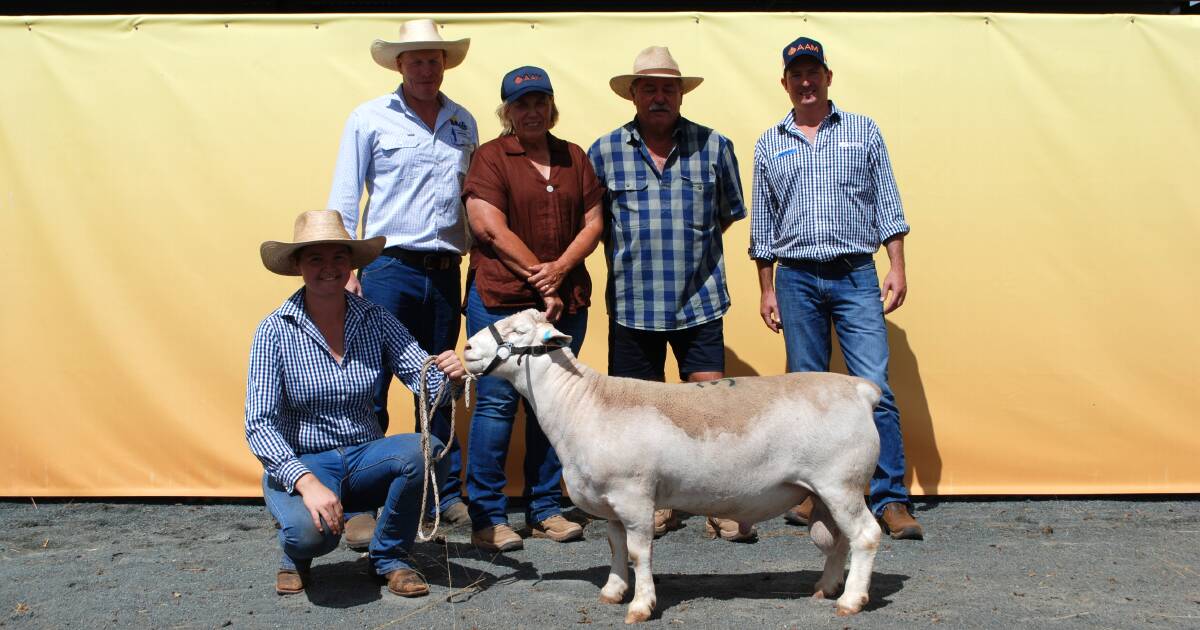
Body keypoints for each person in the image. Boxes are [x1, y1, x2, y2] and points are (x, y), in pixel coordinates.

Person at [749, 37, 923, 540]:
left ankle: (890, 500)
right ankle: (815, 496)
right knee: (806, 396)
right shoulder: (769, 142)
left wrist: (896, 266)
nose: (806, 82)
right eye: (796, 74)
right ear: (785, 83)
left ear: (828, 77)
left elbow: (887, 203)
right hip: (797, 277)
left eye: (814, 72)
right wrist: (767, 289)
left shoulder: (862, 131)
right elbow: (764, 224)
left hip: (855, 274)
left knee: (874, 390)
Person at [245, 210, 467, 597]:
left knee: (429, 452)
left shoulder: (375, 318)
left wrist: (447, 376)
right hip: (305, 463)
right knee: (310, 539)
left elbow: (422, 376)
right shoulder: (274, 329)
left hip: (365, 457)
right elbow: (259, 424)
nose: (328, 268)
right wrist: (307, 482)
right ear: (298, 265)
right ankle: (294, 554)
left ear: (351, 265)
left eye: (338, 258)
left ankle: (390, 557)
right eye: (315, 258)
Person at [587, 47, 751, 542]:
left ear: (681, 94)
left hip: (699, 300)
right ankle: (653, 506)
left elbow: (727, 214)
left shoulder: (715, 147)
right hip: (634, 304)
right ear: (633, 94)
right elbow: (595, 224)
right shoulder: (604, 152)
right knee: (638, 421)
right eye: (649, 88)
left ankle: (720, 505)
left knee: (712, 413)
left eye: (669, 88)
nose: (659, 96)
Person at [326, 19, 478, 545]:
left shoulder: (463, 122)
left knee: (439, 379)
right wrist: (346, 269)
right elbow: (345, 197)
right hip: (388, 266)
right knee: (370, 380)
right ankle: (362, 503)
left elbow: (470, 201)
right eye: (414, 58)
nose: (425, 67)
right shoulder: (369, 118)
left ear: (444, 63)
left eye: (433, 58)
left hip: (443, 270)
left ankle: (441, 495)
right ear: (398, 64)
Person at [461, 66, 604, 552]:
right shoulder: (490, 157)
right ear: (506, 111)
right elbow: (489, 228)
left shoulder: (574, 157)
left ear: (551, 105)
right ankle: (488, 516)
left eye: (540, 101)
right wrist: (541, 276)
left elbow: (593, 221)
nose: (532, 110)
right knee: (498, 405)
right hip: (502, 298)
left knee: (555, 404)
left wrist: (560, 269)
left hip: (564, 299)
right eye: (521, 103)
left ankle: (545, 507)